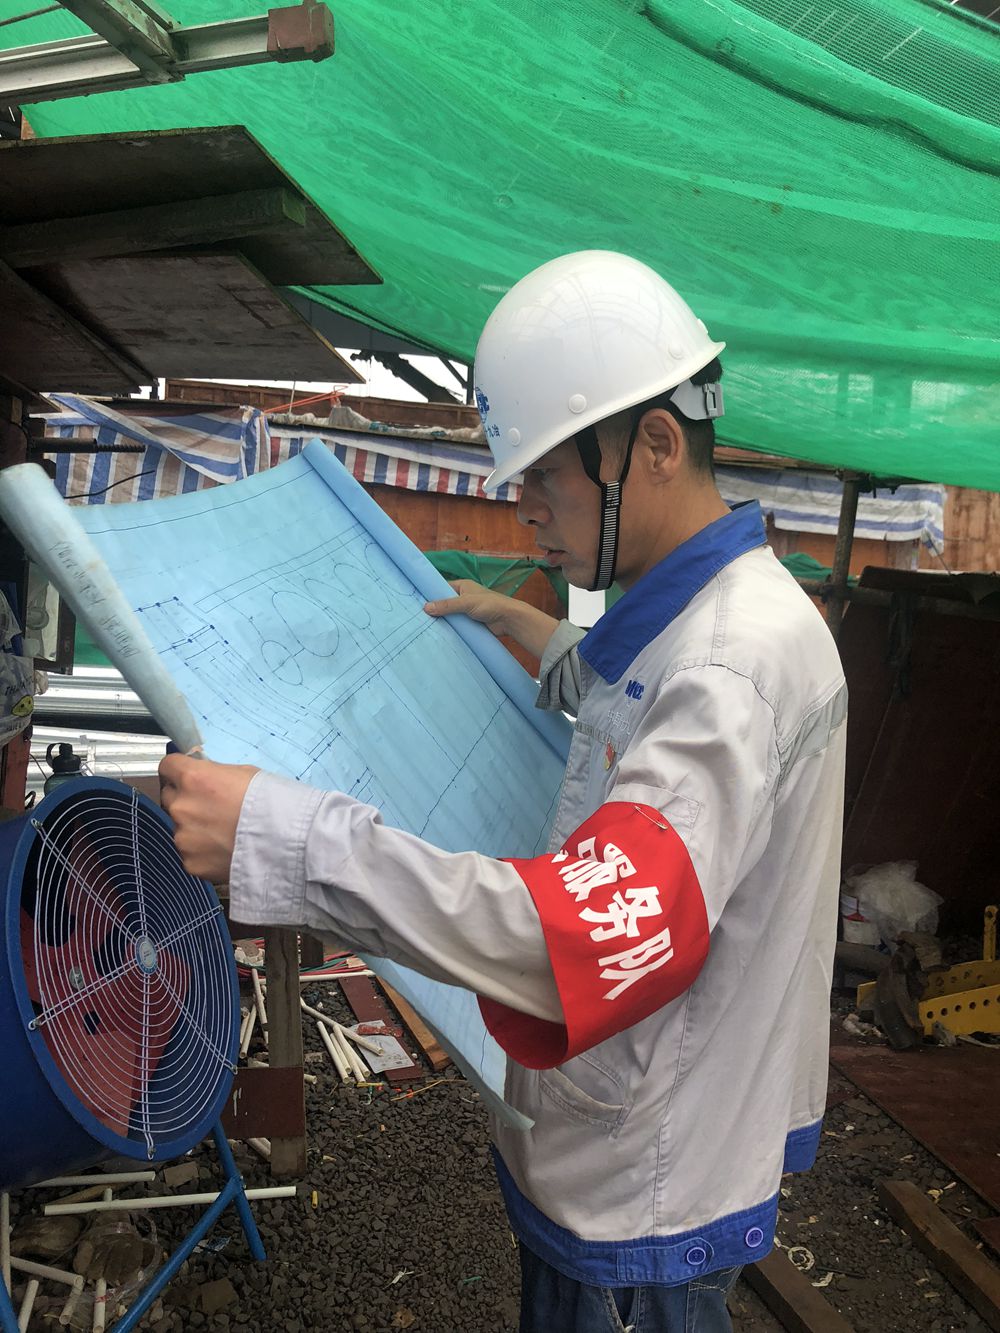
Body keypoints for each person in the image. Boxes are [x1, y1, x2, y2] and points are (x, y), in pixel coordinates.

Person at [160, 251, 846, 1333]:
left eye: (544, 476)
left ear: (653, 446)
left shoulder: (729, 666)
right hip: (652, 1133)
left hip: (638, 1204)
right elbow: (637, 708)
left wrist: (283, 837)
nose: (522, 506)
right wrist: (533, 632)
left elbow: (571, 939)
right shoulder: (718, 611)